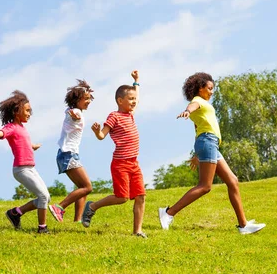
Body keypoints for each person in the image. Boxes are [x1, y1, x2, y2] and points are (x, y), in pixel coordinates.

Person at [158, 72, 266, 235]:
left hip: (209, 144)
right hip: (207, 142)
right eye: (209, 88)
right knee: (205, 186)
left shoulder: (203, 104)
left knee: (232, 180)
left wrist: (197, 154)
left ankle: (243, 226)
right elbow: (191, 107)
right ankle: (168, 213)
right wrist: (186, 111)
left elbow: (197, 129)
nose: (212, 92)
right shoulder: (197, 101)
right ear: (200, 89)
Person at [0, 90, 51, 234]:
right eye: (26, 110)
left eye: (30, 111)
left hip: (31, 168)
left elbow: (23, 142)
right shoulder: (11, 127)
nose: (29, 113)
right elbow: (1, 133)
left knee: (46, 197)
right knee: (43, 196)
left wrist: (33, 146)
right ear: (16, 111)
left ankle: (16, 213)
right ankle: (42, 229)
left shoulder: (21, 128)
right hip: (21, 169)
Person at [82, 70, 147, 238]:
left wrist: (136, 81)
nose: (134, 102)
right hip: (120, 163)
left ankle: (137, 231)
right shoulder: (114, 116)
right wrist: (97, 132)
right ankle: (92, 207)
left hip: (134, 163)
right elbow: (103, 135)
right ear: (120, 100)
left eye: (134, 99)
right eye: (130, 99)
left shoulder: (130, 114)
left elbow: (137, 96)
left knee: (140, 196)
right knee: (122, 198)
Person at [48, 80, 94, 223]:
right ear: (77, 100)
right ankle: (59, 207)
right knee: (87, 187)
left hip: (68, 154)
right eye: (86, 99)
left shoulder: (72, 111)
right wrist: (74, 113)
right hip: (68, 155)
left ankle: (77, 220)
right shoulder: (75, 111)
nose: (88, 101)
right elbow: (73, 112)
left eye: (89, 99)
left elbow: (70, 111)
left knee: (82, 187)